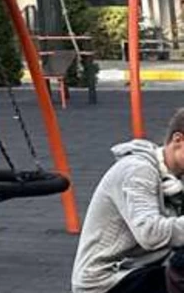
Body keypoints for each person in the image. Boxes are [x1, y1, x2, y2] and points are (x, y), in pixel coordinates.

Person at [73, 108, 184, 293]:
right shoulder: (137, 171)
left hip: (144, 268)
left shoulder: (177, 177)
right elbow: (151, 233)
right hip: (106, 280)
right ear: (178, 140)